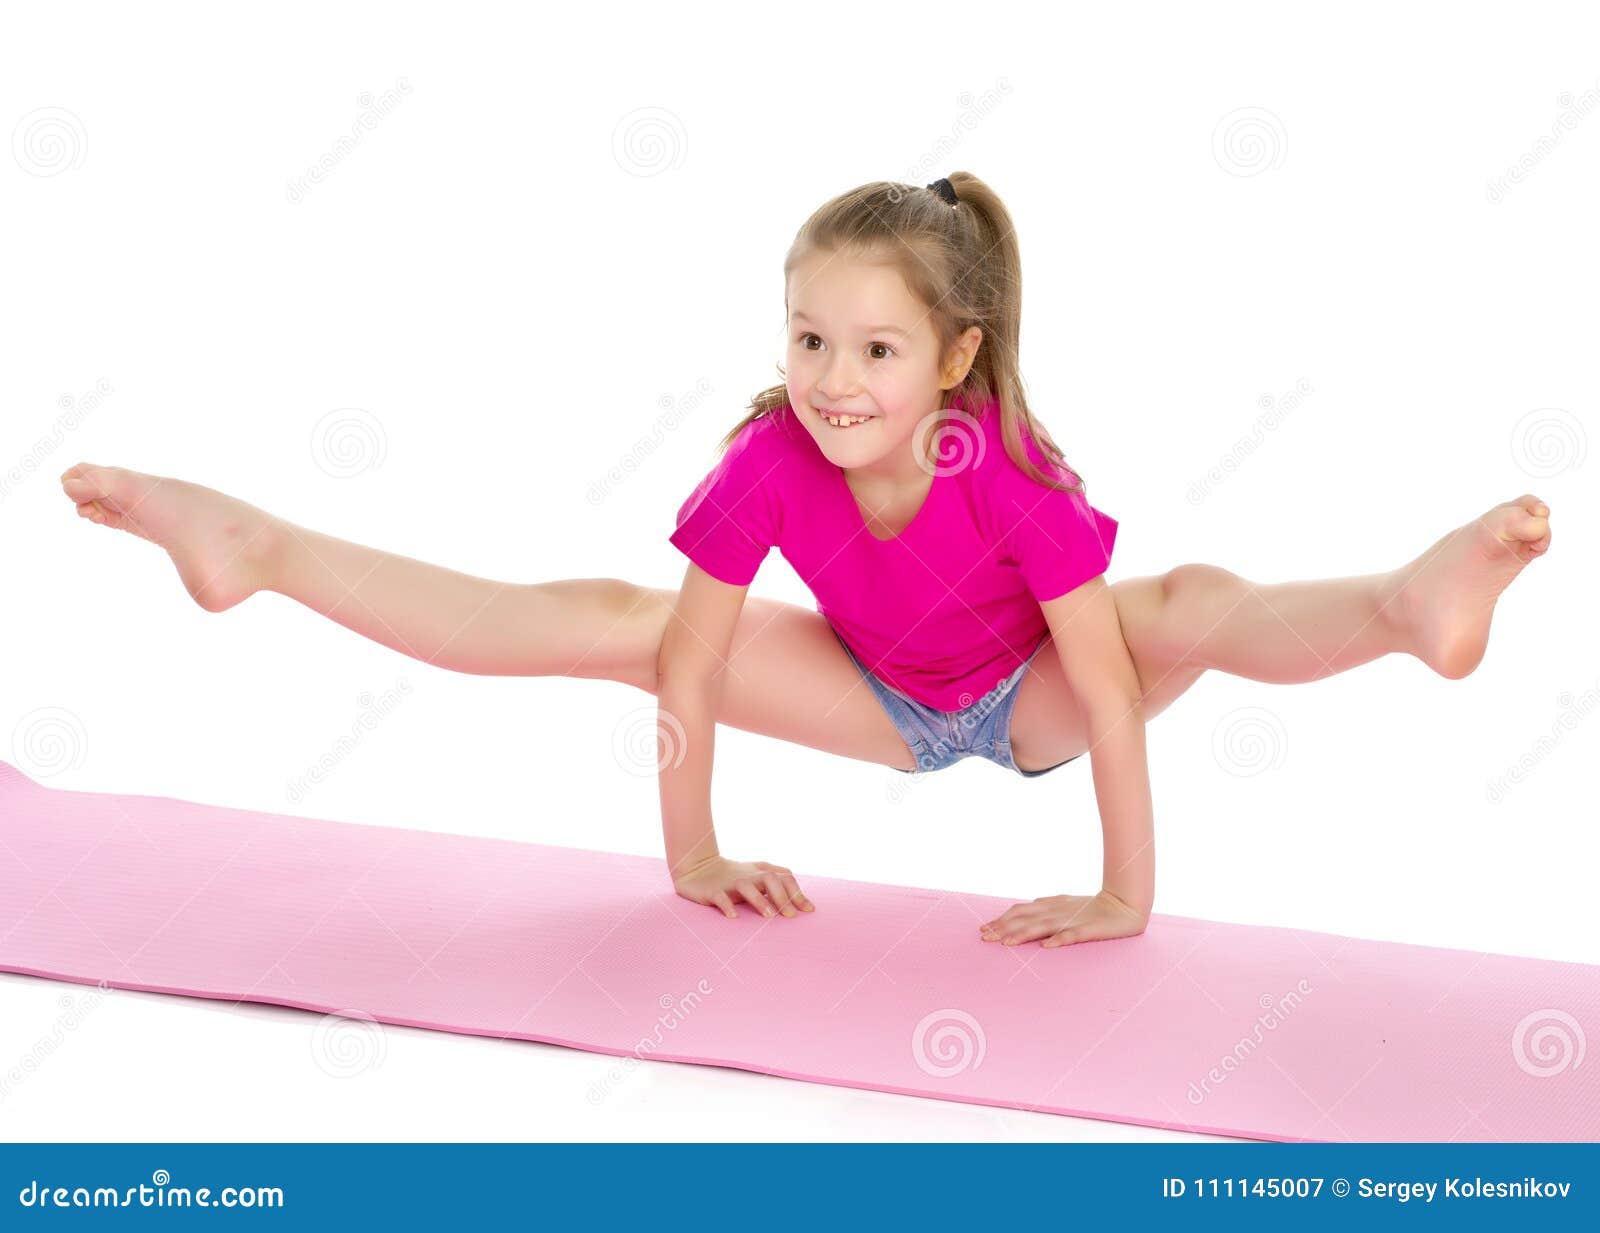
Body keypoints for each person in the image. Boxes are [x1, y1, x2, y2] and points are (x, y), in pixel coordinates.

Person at [56, 172, 1553, 950]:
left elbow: (1100, 690)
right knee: (610, 616)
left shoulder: (1008, 469)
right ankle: (264, 544)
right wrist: (691, 854)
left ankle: (1404, 605)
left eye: (880, 349)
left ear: (956, 355)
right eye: (810, 338)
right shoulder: (772, 459)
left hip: (1028, 697)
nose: (838, 380)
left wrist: (1122, 898)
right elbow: (690, 658)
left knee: (1193, 606)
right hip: (874, 700)